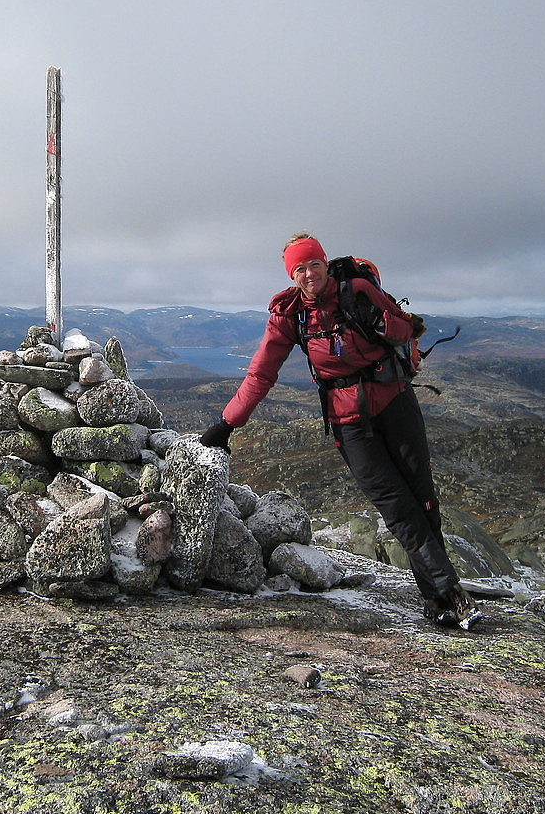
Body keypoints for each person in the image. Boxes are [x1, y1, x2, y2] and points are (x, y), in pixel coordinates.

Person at [199, 232, 480, 628]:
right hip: (349, 422)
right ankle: (450, 593)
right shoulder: (290, 315)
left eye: (315, 264)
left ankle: (438, 599)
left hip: (396, 403)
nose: (310, 274)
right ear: (291, 274)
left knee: (424, 502)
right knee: (397, 507)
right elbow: (262, 372)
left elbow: (405, 331)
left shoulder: (359, 290)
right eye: (300, 268)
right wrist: (228, 423)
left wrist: (381, 320)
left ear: (326, 263)